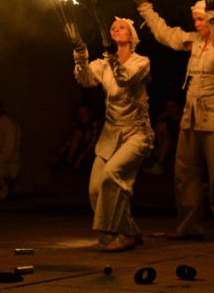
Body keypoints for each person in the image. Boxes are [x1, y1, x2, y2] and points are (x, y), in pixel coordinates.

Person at [137, 0, 214, 242]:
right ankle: (189, 227)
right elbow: (166, 35)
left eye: (202, 20)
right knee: (185, 175)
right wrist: (147, 11)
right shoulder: (194, 41)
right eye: (196, 19)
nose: (197, 24)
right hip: (191, 117)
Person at [71, 17, 155, 253]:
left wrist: (113, 59)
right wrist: (81, 54)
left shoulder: (141, 62)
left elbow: (125, 78)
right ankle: (130, 229)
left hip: (136, 134)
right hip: (110, 134)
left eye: (122, 27)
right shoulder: (104, 63)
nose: (116, 29)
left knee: (112, 175)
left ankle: (123, 235)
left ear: (131, 36)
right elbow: (86, 80)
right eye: (113, 27)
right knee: (95, 189)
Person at [51, 102, 103, 171]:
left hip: (94, 155)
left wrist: (79, 160)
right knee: (78, 132)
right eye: (79, 114)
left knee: (87, 133)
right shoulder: (79, 126)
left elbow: (92, 144)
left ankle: (85, 163)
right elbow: (69, 141)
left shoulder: (95, 125)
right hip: (82, 153)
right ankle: (68, 160)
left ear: (90, 113)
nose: (81, 116)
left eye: (83, 113)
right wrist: (58, 155)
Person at [144, 97, 183, 175]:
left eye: (172, 107)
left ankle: (159, 165)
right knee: (159, 125)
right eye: (167, 107)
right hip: (173, 144)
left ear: (178, 107)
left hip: (181, 147)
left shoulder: (182, 118)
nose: (169, 109)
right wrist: (162, 117)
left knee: (167, 136)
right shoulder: (169, 117)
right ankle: (162, 150)